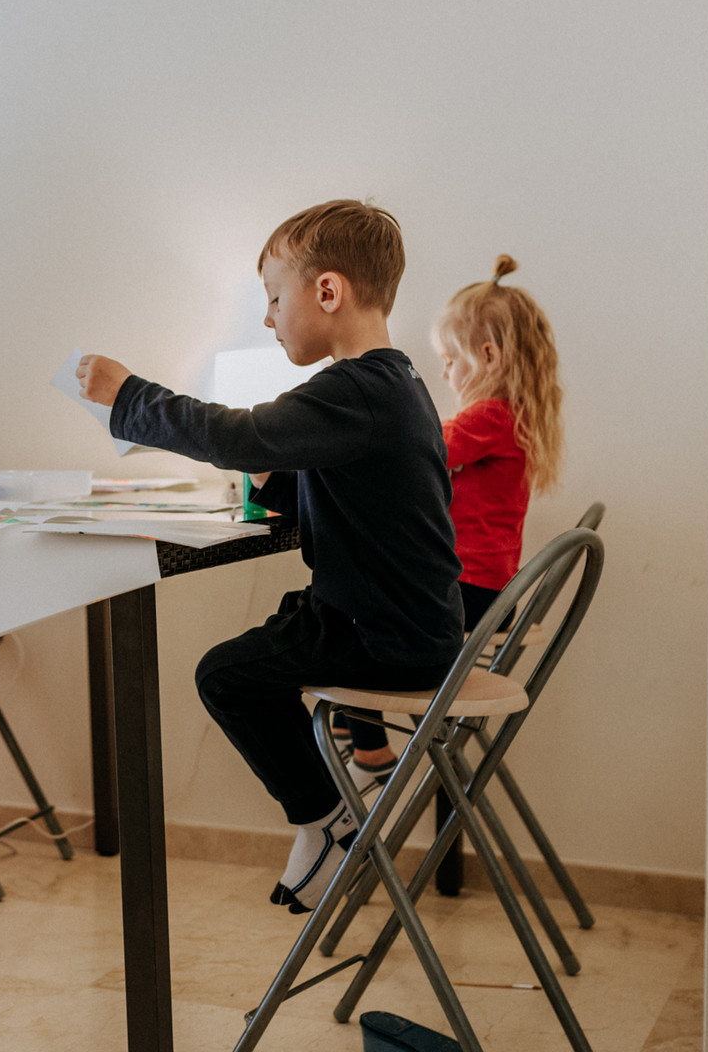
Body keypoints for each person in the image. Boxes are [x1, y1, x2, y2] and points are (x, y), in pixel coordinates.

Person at [76, 199, 463, 913]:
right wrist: (278, 477)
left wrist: (128, 396)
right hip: (412, 626)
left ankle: (332, 817)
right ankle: (329, 815)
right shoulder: (393, 385)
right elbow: (344, 486)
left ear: (327, 291)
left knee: (227, 675)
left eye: (274, 297)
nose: (267, 317)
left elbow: (242, 435)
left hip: (384, 636)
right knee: (263, 655)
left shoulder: (355, 389)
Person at [343, 255, 564, 790]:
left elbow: (419, 447)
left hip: (468, 593)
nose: (442, 372)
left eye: (447, 360)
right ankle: (391, 746)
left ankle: (369, 754)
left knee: (351, 612)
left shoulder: (489, 417)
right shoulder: (515, 418)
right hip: (491, 593)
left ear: (486, 355)